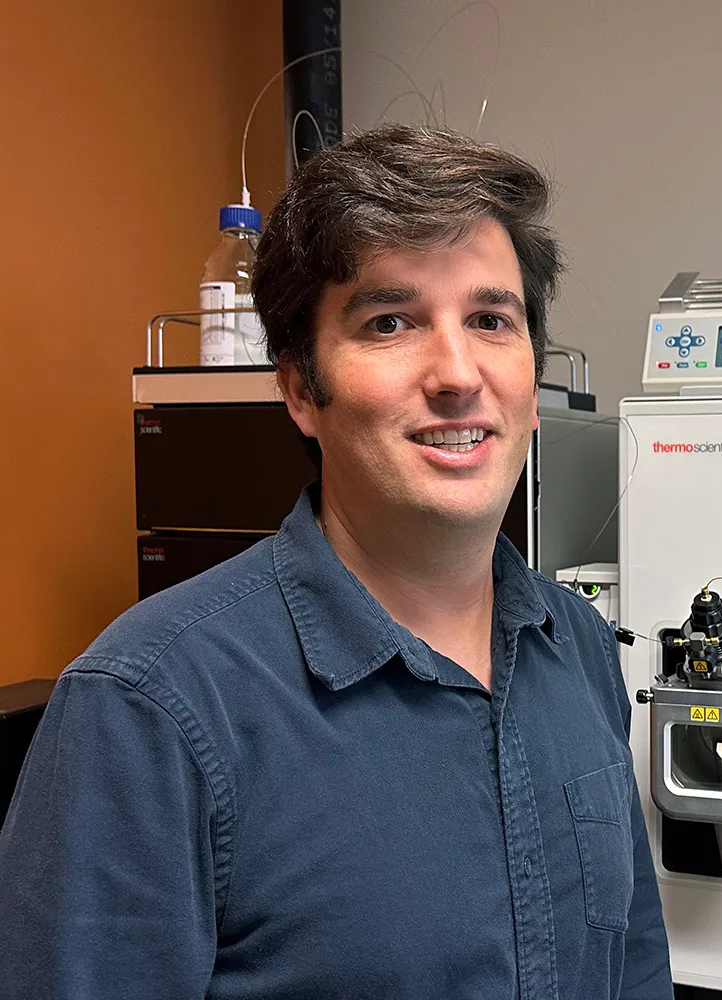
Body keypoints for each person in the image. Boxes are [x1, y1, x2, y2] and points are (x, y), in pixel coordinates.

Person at [0, 124, 673, 999]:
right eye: (390, 322)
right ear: (298, 390)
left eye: (490, 319)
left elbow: (634, 969)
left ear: (531, 376)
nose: (457, 372)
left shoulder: (577, 645)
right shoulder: (147, 712)